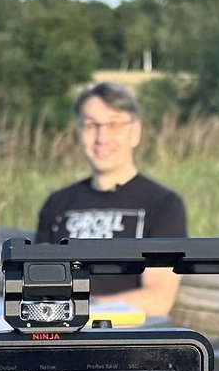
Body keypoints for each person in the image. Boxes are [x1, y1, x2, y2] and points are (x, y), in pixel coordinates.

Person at [35, 81, 185, 319]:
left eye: (114, 125)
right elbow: (39, 288)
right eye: (91, 125)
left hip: (123, 340)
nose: (101, 138)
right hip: (57, 336)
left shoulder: (163, 204)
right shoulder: (57, 203)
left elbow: (158, 299)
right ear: (79, 132)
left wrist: (81, 311)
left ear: (135, 132)